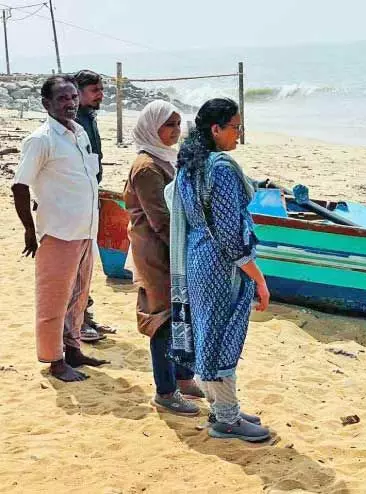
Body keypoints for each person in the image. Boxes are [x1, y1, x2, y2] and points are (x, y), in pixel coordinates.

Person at [169, 98, 271, 441]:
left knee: (208, 334)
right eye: (235, 128)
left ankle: (222, 408)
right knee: (223, 338)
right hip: (220, 265)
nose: (238, 136)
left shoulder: (189, 164)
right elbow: (230, 235)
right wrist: (259, 278)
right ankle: (227, 419)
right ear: (216, 129)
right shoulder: (222, 168)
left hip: (197, 257)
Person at [11, 76, 108, 382]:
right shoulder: (41, 140)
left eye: (72, 97)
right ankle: (55, 361)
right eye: (63, 98)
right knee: (53, 300)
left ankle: (74, 348)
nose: (70, 103)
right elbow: (19, 186)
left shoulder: (79, 132)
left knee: (79, 296)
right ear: (46, 104)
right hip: (58, 232)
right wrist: (29, 229)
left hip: (85, 229)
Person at [124, 100, 204, 415]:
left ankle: (184, 378)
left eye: (177, 124)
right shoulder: (146, 167)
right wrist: (191, 251)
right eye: (168, 125)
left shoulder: (165, 158)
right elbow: (161, 220)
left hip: (173, 248)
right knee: (163, 321)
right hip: (158, 253)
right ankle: (166, 391)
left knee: (183, 314)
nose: (175, 131)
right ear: (151, 127)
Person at [72, 69, 119, 342]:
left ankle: (84, 317)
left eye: (101, 89)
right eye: (95, 90)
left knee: (86, 263)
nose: (100, 95)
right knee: (76, 265)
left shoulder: (88, 117)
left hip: (89, 196)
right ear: (77, 93)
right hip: (76, 201)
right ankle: (78, 322)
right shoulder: (74, 121)